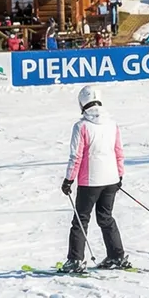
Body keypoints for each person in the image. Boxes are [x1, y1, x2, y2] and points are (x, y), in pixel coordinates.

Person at [61, 85, 128, 273]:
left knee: (81, 220)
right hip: (111, 179)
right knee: (106, 218)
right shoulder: (112, 124)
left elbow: (76, 156)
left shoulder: (81, 126)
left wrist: (68, 180)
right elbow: (119, 152)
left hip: (89, 181)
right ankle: (116, 256)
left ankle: (75, 260)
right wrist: (119, 175)